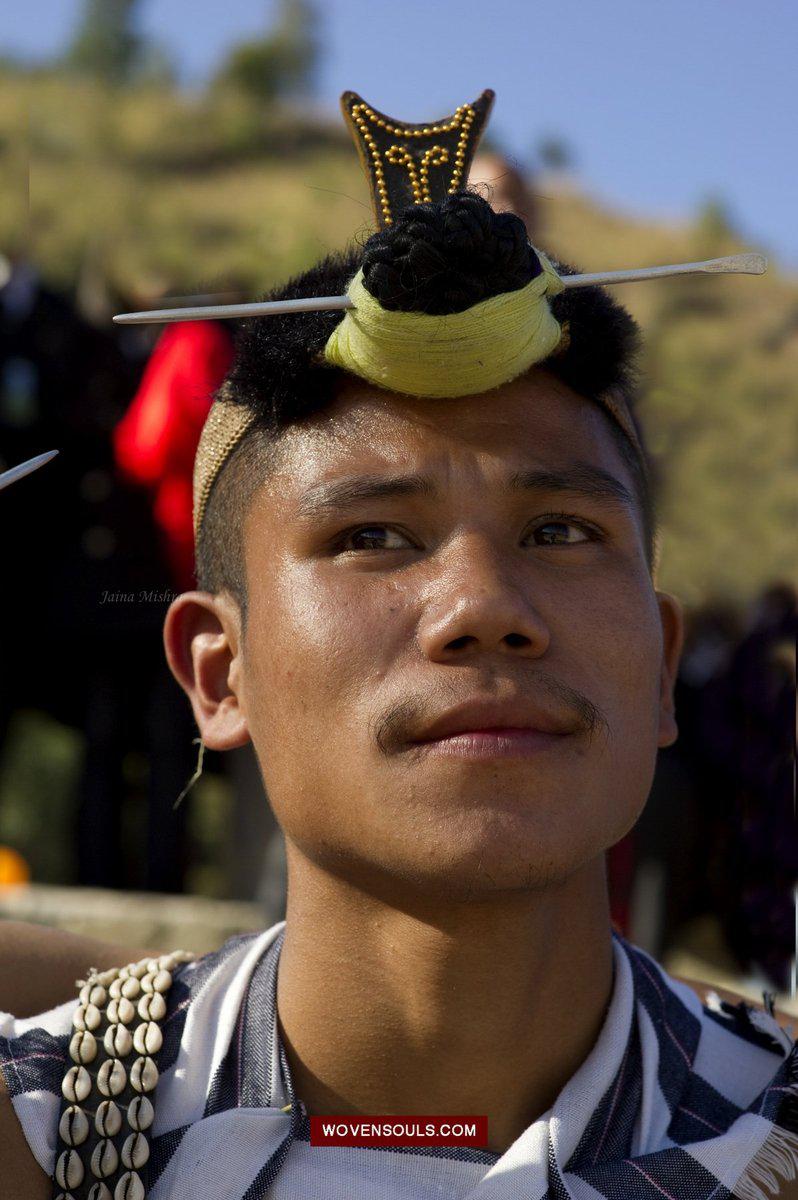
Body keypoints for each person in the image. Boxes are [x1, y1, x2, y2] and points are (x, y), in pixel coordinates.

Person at [1, 91, 796, 1200]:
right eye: (372, 536)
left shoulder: (770, 1128)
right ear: (219, 674)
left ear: (662, 666)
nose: (482, 605)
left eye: (559, 530)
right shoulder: (45, 1135)